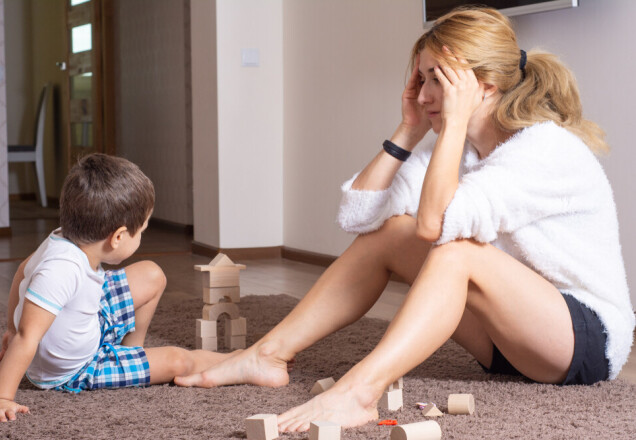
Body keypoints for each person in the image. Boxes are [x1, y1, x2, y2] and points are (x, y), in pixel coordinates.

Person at [175, 6, 634, 432]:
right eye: (420, 78)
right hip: (508, 341)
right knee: (391, 234)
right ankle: (267, 355)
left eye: (438, 79)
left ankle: (360, 391)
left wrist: (449, 126)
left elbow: (437, 226)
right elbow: (360, 216)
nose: (426, 93)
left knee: (455, 252)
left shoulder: (544, 149)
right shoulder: (451, 148)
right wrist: (409, 130)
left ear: (485, 86)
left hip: (584, 342)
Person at [0, 154, 229, 423]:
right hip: (78, 367)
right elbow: (28, 337)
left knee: (152, 275)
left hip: (88, 320)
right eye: (141, 231)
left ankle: (132, 351)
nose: (141, 236)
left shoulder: (65, 236)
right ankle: (239, 361)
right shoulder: (61, 270)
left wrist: (10, 328)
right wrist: (1, 397)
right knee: (178, 360)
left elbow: (20, 274)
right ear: (118, 237)